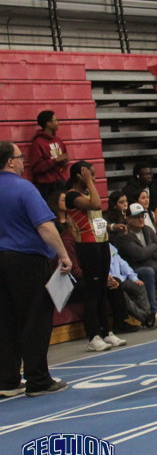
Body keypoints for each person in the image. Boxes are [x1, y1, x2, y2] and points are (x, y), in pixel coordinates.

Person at [0, 141, 73, 397]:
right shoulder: (24, 188)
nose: (23, 161)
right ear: (10, 161)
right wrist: (63, 255)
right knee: (35, 320)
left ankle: (7, 380)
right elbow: (44, 226)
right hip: (26, 261)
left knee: (5, 322)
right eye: (20, 157)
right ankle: (38, 379)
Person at [65, 161, 127, 352]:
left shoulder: (86, 193)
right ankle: (93, 336)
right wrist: (90, 183)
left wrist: (112, 227)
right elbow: (95, 204)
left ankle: (106, 332)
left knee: (102, 289)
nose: (94, 178)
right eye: (90, 174)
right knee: (92, 292)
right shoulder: (72, 196)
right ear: (80, 176)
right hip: (87, 245)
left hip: (101, 243)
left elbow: (97, 219)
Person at [28, 110, 70, 200]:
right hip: (47, 185)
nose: (58, 122)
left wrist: (65, 162)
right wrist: (55, 161)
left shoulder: (59, 140)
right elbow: (36, 168)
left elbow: (65, 157)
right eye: (56, 120)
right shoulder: (38, 143)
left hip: (62, 181)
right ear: (48, 123)